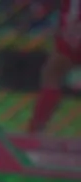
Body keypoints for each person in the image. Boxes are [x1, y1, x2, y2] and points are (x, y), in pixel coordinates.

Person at [29, 0, 81, 134]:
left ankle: (36, 129)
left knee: (52, 74)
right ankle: (36, 129)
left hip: (72, 30)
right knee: (53, 72)